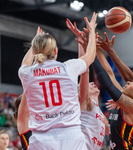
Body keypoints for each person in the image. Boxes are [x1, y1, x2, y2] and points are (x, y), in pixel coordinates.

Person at [18, 12, 97, 150]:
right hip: (71, 137)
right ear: (55, 50)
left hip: (41, 140)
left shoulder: (26, 73)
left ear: (35, 51)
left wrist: (35, 44)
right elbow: (90, 57)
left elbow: (24, 63)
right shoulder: (68, 68)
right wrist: (91, 32)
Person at [66, 18, 109, 150]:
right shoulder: (84, 103)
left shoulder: (99, 113)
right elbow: (84, 70)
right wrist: (83, 43)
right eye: (88, 85)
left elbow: (112, 131)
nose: (92, 83)